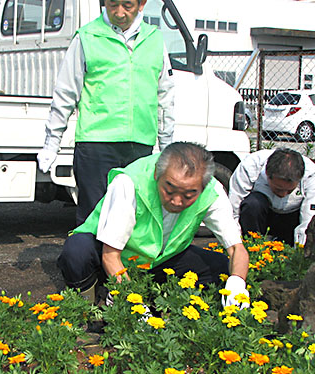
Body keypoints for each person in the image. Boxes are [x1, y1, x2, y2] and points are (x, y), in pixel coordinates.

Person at [57, 142, 249, 307]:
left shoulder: (212, 191)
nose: (176, 201)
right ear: (158, 173)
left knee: (223, 267)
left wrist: (237, 283)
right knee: (77, 251)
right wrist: (134, 304)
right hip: (113, 258)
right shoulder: (130, 182)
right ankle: (87, 303)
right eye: (170, 189)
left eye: (188, 195)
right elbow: (110, 255)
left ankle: (153, 298)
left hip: (158, 261)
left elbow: (236, 249)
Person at [36, 0, 174, 225]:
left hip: (140, 144)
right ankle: (87, 260)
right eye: (113, 5)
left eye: (127, 5)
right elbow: (65, 93)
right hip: (96, 144)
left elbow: (165, 97)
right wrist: (52, 143)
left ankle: (124, 262)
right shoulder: (87, 37)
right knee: (94, 218)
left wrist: (167, 146)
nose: (119, 13)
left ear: (141, 5)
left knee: (134, 218)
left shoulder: (155, 40)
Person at [228, 148, 315, 246]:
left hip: (292, 217)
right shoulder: (251, 166)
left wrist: (300, 251)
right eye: (278, 189)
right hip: (263, 215)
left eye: (290, 191)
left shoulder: (311, 175)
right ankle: (252, 245)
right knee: (252, 204)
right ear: (267, 175)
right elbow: (234, 208)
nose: (283, 195)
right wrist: (236, 245)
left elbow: (308, 220)